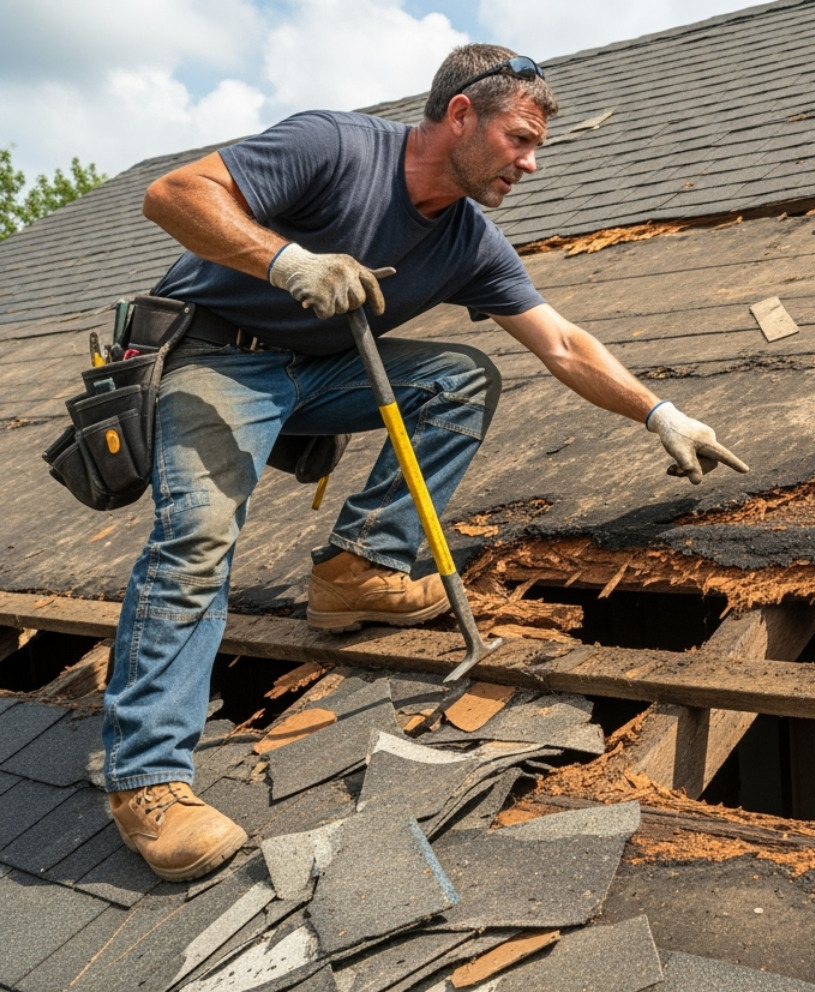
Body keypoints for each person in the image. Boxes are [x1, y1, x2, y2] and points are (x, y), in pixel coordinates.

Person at [103, 43, 748, 882]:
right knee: (198, 539)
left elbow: (560, 341)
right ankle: (147, 782)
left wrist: (661, 412)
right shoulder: (334, 147)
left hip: (320, 370)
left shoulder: (469, 242)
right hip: (218, 356)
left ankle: (360, 566)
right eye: (519, 139)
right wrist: (287, 261)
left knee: (458, 378)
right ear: (459, 116)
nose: (532, 163)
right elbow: (173, 194)